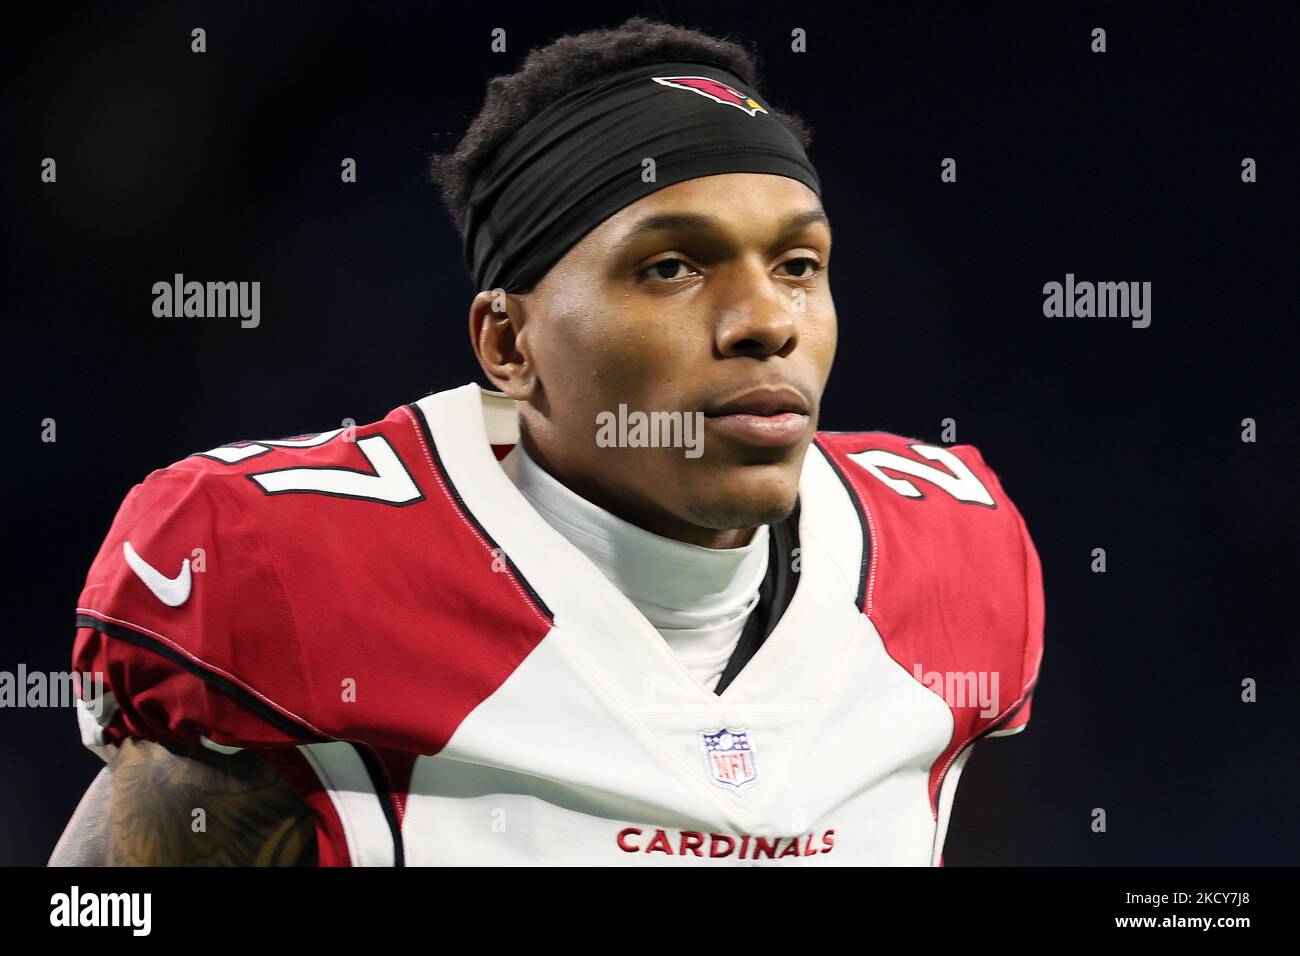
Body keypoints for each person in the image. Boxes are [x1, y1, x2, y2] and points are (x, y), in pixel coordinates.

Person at [51, 16, 1042, 867]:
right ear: (508, 342)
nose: (764, 320)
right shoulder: (287, 570)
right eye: (670, 267)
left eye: (795, 263)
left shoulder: (951, 554)